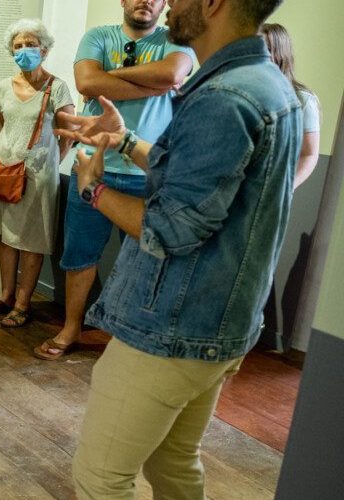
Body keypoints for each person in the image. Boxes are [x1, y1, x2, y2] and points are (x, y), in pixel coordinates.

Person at [59, 0, 299, 496]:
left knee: (101, 477)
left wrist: (94, 191)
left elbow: (170, 229)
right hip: (221, 322)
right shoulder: (269, 85)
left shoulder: (224, 98)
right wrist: (124, 141)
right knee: (173, 464)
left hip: (173, 325)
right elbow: (197, 182)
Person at [37, 0, 195, 360]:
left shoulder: (177, 40)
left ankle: (133, 337)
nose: (145, 1)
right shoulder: (98, 35)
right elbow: (86, 81)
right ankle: (72, 327)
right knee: (79, 255)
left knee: (148, 259)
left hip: (147, 172)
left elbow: (171, 76)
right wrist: (145, 81)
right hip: (92, 165)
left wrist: (112, 77)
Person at [0, 20, 74, 327]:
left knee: (31, 239)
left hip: (39, 175)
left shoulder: (56, 87)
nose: (24, 50)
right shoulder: (2, 87)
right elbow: (3, 126)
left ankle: (22, 303)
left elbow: (68, 133)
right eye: (18, 46)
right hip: (5, 170)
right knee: (6, 236)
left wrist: (49, 163)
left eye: (30, 44)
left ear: (44, 50)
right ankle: (5, 296)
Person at [261, 23, 320, 190]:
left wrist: (285, 189)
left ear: (279, 54)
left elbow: (309, 154)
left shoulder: (303, 101)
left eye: (263, 49)